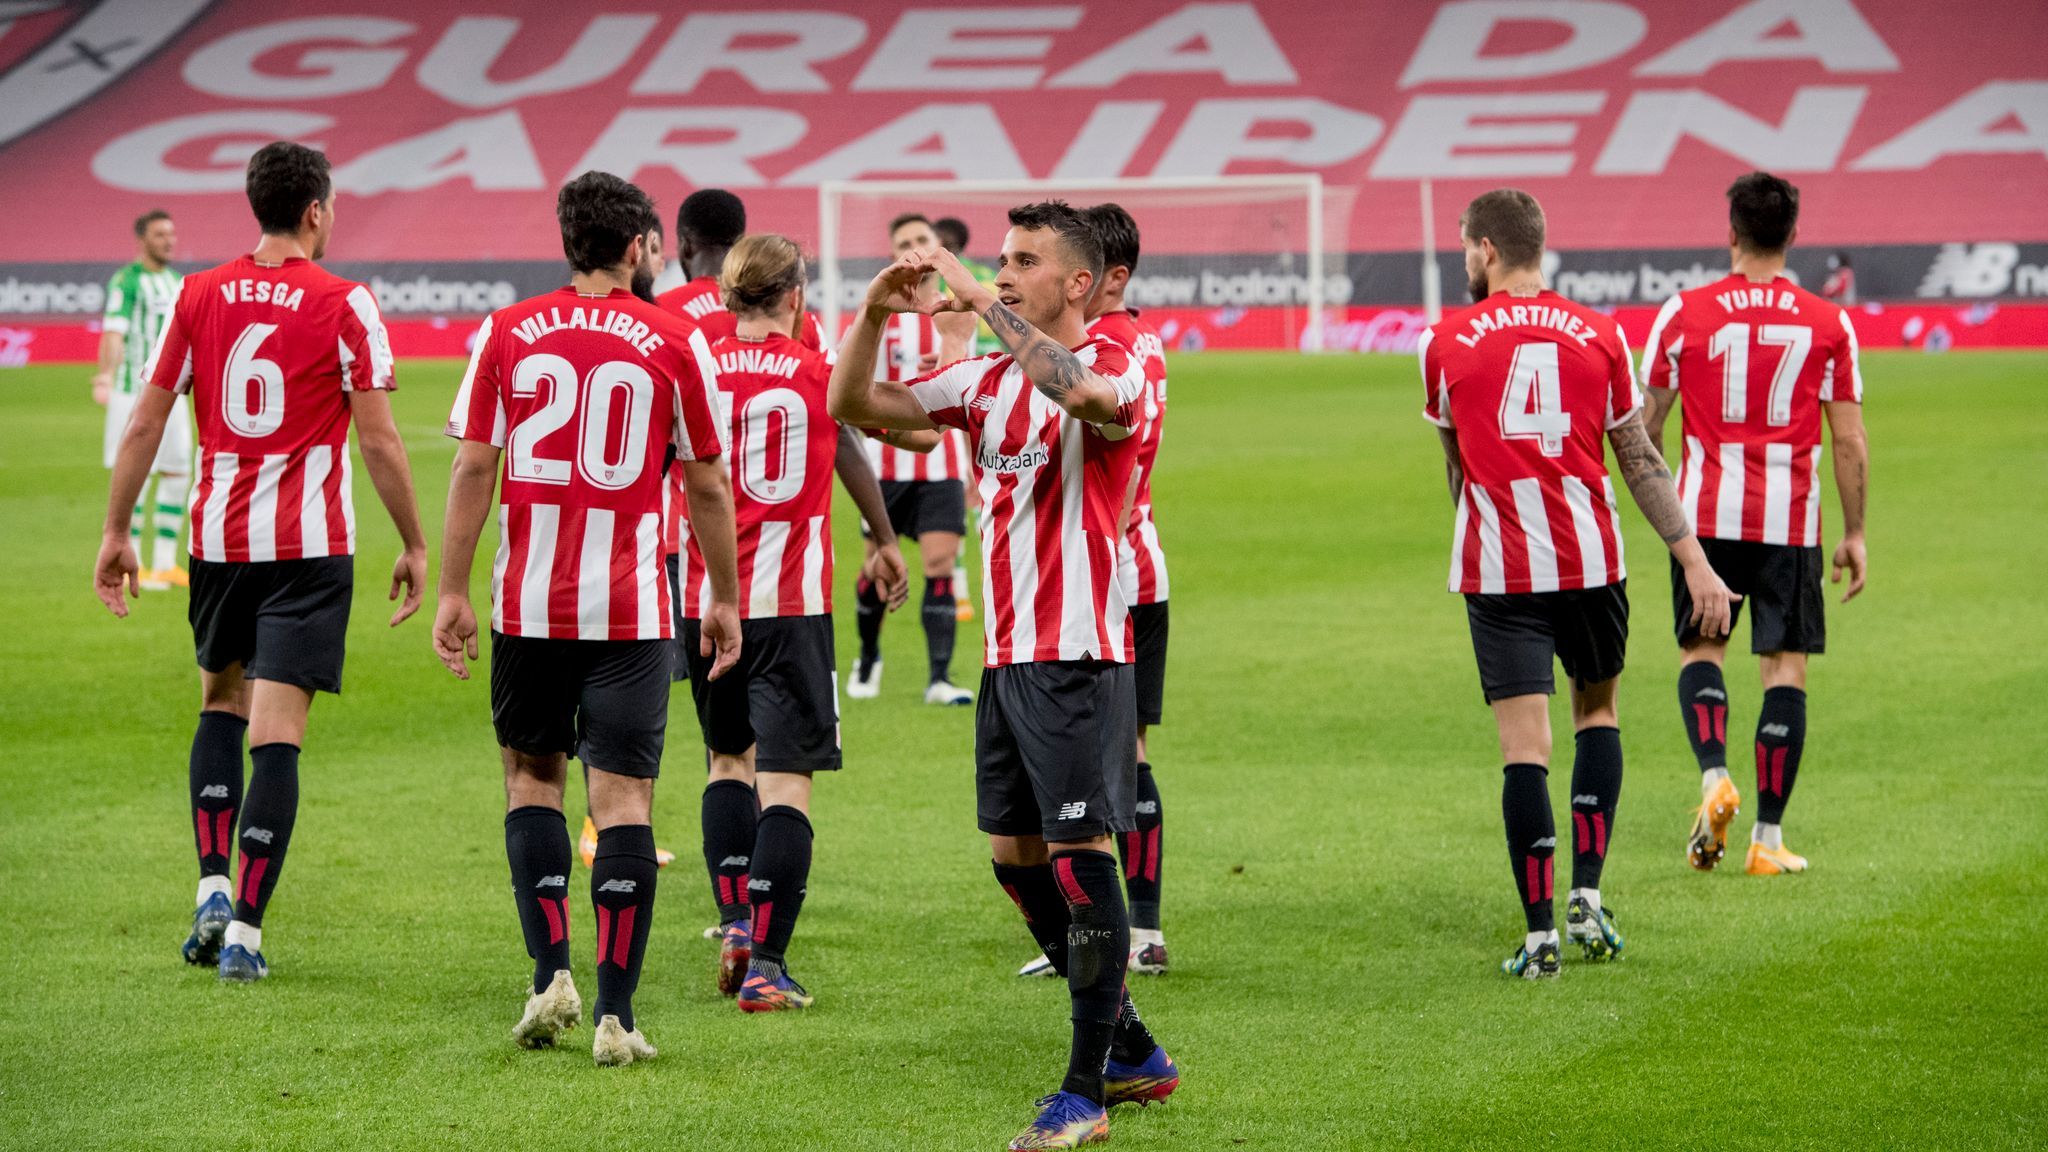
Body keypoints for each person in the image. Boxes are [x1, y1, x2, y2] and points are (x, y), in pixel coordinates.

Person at [829, 201, 1179, 1150]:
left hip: (1078, 655)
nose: (1005, 271)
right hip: (1009, 662)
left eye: (1026, 261)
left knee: (1078, 862)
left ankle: (1084, 1093)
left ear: (1077, 282)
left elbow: (1088, 400)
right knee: (1015, 862)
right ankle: (1135, 1050)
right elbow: (853, 408)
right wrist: (868, 316)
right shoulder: (982, 381)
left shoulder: (1125, 360)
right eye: (1002, 259)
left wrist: (983, 300)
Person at [93, 141, 428, 983]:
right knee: (280, 735)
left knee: (220, 704)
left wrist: (117, 530)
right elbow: (380, 437)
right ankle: (245, 930)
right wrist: (417, 543)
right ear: (315, 210)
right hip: (309, 550)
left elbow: (143, 422)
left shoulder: (198, 294)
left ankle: (210, 882)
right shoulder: (347, 302)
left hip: (219, 542)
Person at [433, 171, 741, 1066]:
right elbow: (708, 481)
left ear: (567, 240)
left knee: (532, 785)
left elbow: (471, 468)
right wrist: (722, 595)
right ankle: (616, 1015)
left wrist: (453, 590)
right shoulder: (675, 338)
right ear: (640, 244)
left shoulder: (507, 330)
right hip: (632, 611)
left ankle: (548, 978)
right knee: (624, 802)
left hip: (529, 604)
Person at [1421, 188, 1737, 980]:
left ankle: (1537, 941)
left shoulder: (1445, 341)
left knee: (1523, 750)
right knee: (1598, 714)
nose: (1465, 259)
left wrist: (1484, 524)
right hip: (1592, 560)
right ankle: (1587, 895)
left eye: (1466, 247)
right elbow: (1640, 457)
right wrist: (1693, 557)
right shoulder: (1600, 333)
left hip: (1501, 572)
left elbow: (1457, 471)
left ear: (1487, 250)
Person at [679, 233, 912, 1009]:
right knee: (788, 782)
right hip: (790, 605)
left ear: (724, 295)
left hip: (707, 601)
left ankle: (736, 921)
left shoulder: (696, 370)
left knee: (726, 762)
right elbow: (864, 440)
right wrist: (882, 538)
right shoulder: (819, 374)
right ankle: (769, 967)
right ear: (795, 297)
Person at [1640, 172, 1869, 877]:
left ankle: (1714, 778)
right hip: (1789, 521)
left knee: (1701, 653)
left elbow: (1644, 425)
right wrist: (1854, 531)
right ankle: (1767, 839)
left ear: (1730, 232)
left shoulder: (1684, 312)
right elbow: (1850, 440)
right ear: (1794, 234)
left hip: (1703, 519)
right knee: (1784, 669)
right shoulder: (1829, 324)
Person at [1018, 203, 1172, 979]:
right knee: (1103, 768)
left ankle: (1135, 926)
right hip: (1101, 570)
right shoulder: (1117, 338)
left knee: (1122, 763)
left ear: (1108, 278)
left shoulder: (1117, 343)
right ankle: (1106, 930)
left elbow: (1079, 395)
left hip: (1115, 574)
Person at [849, 212, 978, 707]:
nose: (916, 246)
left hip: (941, 465)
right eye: (904, 241)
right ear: (894, 252)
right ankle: (867, 656)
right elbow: (854, 389)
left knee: (940, 563)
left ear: (936, 245)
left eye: (922, 238)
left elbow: (976, 391)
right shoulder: (880, 307)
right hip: (884, 465)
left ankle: (940, 677)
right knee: (879, 570)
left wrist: (970, 466)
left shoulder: (961, 306)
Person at [94, 210, 189, 590]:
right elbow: (114, 333)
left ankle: (164, 563)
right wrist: (105, 376)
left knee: (178, 470)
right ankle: (130, 557)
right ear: (142, 239)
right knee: (138, 472)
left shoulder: (175, 282)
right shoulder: (127, 280)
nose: (169, 240)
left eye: (171, 233)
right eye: (160, 234)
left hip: (173, 392)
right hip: (133, 389)